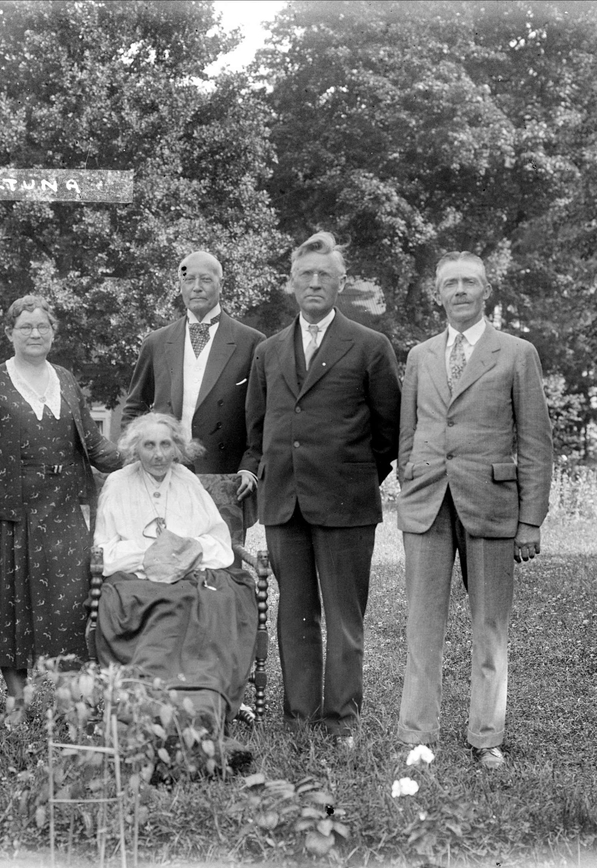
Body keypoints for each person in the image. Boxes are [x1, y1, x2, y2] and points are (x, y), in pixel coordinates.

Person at [239, 231, 401, 744]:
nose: (314, 283)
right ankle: (300, 721)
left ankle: (342, 722)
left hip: (347, 504)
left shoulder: (370, 347)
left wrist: (351, 476)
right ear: (291, 284)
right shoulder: (267, 352)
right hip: (284, 504)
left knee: (344, 619)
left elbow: (389, 432)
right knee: (295, 617)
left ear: (340, 284)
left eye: (324, 276)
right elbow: (257, 430)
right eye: (305, 275)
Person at [396, 251, 553, 770]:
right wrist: (413, 476)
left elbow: (534, 442)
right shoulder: (420, 355)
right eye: (450, 284)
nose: (459, 291)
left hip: (490, 502)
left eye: (469, 283)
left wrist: (530, 519)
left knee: (490, 627)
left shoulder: (515, 352)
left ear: (486, 291)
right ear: (436, 293)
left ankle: (487, 737)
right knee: (422, 625)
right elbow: (407, 433)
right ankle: (418, 736)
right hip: (427, 502)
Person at [0, 295, 123, 726]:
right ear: (10, 333)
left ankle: (71, 704)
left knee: (69, 605)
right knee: (10, 605)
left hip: (62, 508)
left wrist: (139, 457)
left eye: (42, 326)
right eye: (25, 327)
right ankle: (17, 704)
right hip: (5, 511)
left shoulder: (65, 379)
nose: (35, 334)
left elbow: (93, 443)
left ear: (53, 332)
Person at [93, 412, 259, 730]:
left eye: (165, 444)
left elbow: (217, 540)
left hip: (190, 574)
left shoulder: (187, 481)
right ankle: (150, 708)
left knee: (216, 601)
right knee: (152, 606)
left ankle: (204, 704)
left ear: (176, 448)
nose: (158, 454)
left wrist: (183, 552)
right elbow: (105, 549)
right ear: (134, 449)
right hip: (137, 578)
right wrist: (150, 556)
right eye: (149, 445)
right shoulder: (118, 484)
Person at [121, 251, 264, 475]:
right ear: (180, 286)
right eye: (188, 280)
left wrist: (249, 468)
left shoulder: (251, 342)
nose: (196, 287)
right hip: (164, 470)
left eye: (206, 279)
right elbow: (134, 409)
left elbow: (260, 419)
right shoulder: (156, 342)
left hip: (225, 474)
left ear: (221, 284)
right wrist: (134, 459)